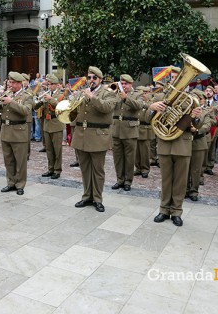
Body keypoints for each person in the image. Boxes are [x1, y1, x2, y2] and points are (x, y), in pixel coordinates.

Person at [148, 97, 203, 227]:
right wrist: (151, 108)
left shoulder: (191, 100)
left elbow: (197, 126)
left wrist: (195, 117)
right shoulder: (160, 98)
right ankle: (164, 210)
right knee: (165, 180)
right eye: (173, 76)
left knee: (180, 181)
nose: (174, 78)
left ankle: (177, 212)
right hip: (164, 144)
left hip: (182, 145)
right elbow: (146, 119)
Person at [73, 66, 116, 212]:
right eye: (89, 77)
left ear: (100, 79)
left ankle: (97, 199)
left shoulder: (109, 92)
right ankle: (87, 196)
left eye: (94, 78)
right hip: (81, 135)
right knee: (85, 169)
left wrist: (92, 97)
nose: (91, 80)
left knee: (98, 170)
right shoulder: (83, 92)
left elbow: (107, 108)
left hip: (98, 136)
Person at [0, 72, 34, 195]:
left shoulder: (27, 96)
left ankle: (20, 184)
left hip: (19, 131)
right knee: (8, 160)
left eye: (13, 83)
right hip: (6, 130)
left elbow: (26, 111)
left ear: (20, 83)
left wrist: (11, 102)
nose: (11, 85)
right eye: (10, 82)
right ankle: (10, 182)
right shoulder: (7, 94)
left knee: (20, 161)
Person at [110, 74, 145, 191]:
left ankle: (128, 181)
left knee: (129, 158)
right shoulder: (115, 93)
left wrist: (126, 98)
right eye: (122, 83)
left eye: (126, 84)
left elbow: (139, 106)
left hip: (130, 129)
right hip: (116, 129)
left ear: (131, 84)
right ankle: (119, 179)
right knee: (117, 157)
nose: (123, 86)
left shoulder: (137, 94)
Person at [186, 89, 215, 201]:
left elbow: (207, 125)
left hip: (198, 142)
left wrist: (197, 130)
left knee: (196, 169)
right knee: (185, 168)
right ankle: (185, 190)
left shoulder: (206, 111)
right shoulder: (187, 109)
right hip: (186, 142)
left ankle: (194, 191)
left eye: (195, 96)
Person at [37, 74, 65, 179]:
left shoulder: (61, 94)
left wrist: (50, 99)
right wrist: (39, 100)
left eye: (52, 84)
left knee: (57, 149)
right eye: (49, 84)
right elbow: (36, 106)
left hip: (56, 123)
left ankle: (57, 170)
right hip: (47, 123)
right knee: (49, 149)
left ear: (57, 85)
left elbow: (61, 107)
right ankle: (50, 168)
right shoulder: (46, 94)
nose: (50, 86)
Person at [134, 86, 153, 179]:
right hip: (135, 128)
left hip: (145, 129)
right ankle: (138, 168)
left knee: (144, 152)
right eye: (142, 93)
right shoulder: (137, 102)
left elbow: (149, 117)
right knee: (136, 151)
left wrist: (147, 105)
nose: (143, 95)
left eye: (145, 93)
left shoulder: (151, 104)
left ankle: (145, 169)